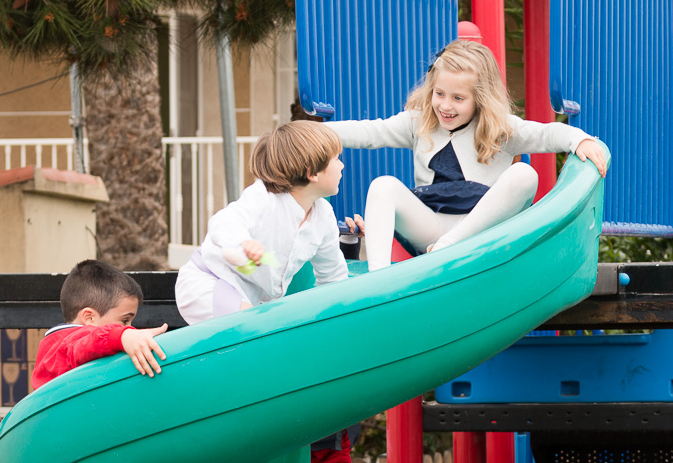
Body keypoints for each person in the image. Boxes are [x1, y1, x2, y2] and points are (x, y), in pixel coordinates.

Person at [326, 38, 608, 271]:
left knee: (525, 174)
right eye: (439, 94)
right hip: (432, 229)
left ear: (480, 99)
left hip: (481, 232)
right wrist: (317, 131)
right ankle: (379, 276)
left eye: (458, 98)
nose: (445, 105)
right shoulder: (419, 122)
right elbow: (368, 131)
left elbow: (547, 134)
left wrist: (579, 140)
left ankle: (449, 247)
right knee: (383, 186)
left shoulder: (500, 128)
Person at [175, 121, 349, 324]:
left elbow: (333, 275)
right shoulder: (264, 198)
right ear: (313, 173)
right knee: (256, 326)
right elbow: (224, 222)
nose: (342, 165)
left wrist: (342, 312)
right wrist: (242, 243)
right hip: (207, 282)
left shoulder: (324, 216)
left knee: (259, 323)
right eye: (336, 159)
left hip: (247, 299)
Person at [31, 259, 167, 389]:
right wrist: (122, 336)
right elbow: (88, 343)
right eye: (124, 321)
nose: (130, 328)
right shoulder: (71, 342)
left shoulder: (53, 342)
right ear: (90, 318)